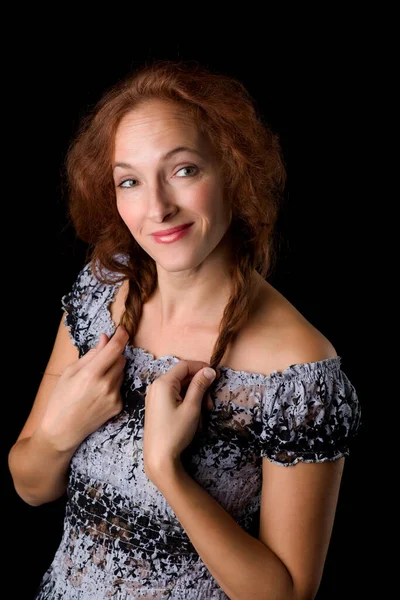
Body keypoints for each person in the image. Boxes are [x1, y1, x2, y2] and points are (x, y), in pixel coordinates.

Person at [8, 59, 361, 600]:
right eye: (130, 181)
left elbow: (286, 594)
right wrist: (60, 430)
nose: (158, 208)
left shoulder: (299, 368)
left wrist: (166, 470)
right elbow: (30, 485)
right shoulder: (102, 290)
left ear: (234, 171)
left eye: (183, 170)